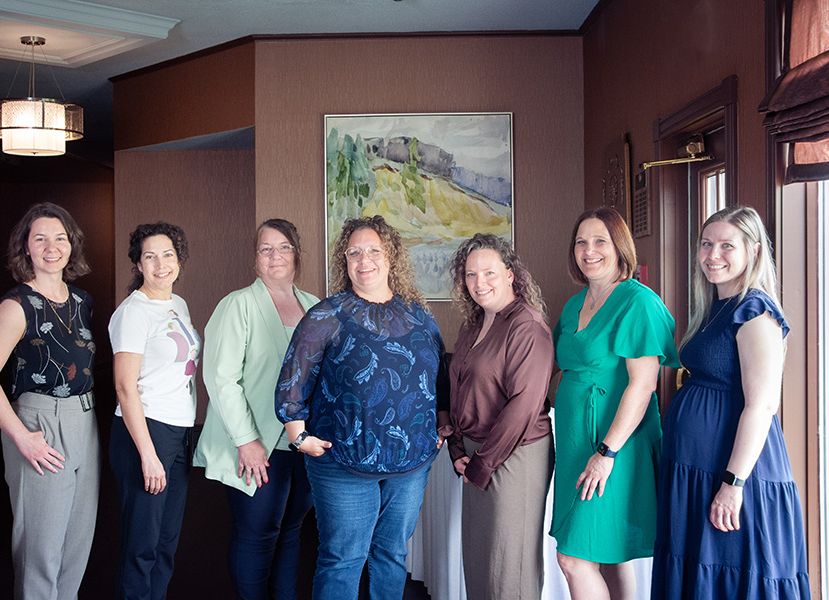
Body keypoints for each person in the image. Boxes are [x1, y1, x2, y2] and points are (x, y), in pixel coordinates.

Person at [275, 215, 448, 600]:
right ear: (345, 261)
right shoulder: (327, 314)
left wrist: (441, 425)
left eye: (374, 250)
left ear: (391, 258)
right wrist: (298, 436)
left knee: (391, 554)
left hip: (411, 463)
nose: (364, 259)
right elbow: (293, 377)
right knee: (343, 558)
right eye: (354, 252)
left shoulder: (418, 314)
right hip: (343, 462)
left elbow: (439, 375)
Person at [651, 206, 811, 598]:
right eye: (706, 244)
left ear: (754, 251)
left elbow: (762, 405)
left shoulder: (754, 312)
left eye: (727, 245)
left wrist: (733, 484)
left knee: (733, 575)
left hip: (731, 471)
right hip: (697, 470)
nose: (712, 255)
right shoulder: (715, 307)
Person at [0, 202, 100, 600]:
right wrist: (23, 438)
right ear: (25, 247)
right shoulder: (17, 304)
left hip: (85, 422)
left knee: (77, 545)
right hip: (40, 424)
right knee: (40, 552)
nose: (51, 246)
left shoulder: (81, 301)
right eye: (39, 238)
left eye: (59, 237)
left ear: (71, 244)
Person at [550, 207, 678, 600]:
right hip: (575, 443)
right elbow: (559, 369)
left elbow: (642, 387)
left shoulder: (638, 303)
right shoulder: (575, 304)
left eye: (600, 241)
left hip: (615, 445)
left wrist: (606, 452)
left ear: (620, 246)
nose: (589, 251)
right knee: (608, 554)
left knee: (574, 559)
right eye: (581, 242)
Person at [194, 219, 320, 599]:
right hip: (257, 444)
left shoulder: (314, 305)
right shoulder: (238, 305)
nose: (275, 256)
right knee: (258, 534)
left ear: (297, 253)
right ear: (255, 259)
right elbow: (220, 379)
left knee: (291, 531)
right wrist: (247, 440)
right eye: (266, 248)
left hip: (304, 443)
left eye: (283, 247)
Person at [442, 233, 555, 600]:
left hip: (514, 456)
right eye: (471, 275)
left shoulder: (527, 326)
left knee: (509, 568)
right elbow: (458, 385)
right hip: (477, 453)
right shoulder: (474, 324)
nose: (479, 283)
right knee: (480, 561)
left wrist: (481, 464)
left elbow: (523, 406)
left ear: (510, 275)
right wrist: (457, 448)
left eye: (489, 273)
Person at [109, 222, 200, 600]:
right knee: (141, 544)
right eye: (150, 256)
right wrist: (148, 455)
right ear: (138, 264)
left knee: (166, 540)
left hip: (178, 432)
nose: (160, 264)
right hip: (145, 433)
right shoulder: (134, 312)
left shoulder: (176, 304)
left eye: (168, 255)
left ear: (179, 260)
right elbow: (124, 387)